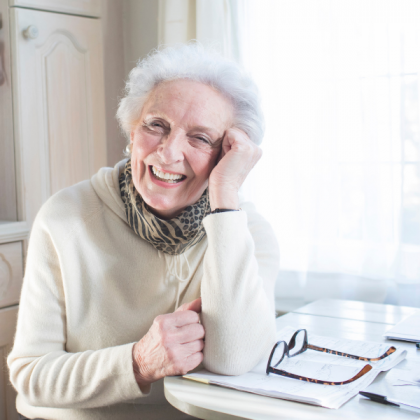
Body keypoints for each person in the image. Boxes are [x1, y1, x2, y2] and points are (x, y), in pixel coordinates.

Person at [8, 43, 279, 420]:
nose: (168, 153)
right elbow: (31, 375)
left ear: (226, 155)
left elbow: (234, 359)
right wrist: (137, 362)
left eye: (200, 138)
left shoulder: (248, 232)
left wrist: (225, 196)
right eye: (156, 125)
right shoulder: (66, 217)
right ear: (132, 132)